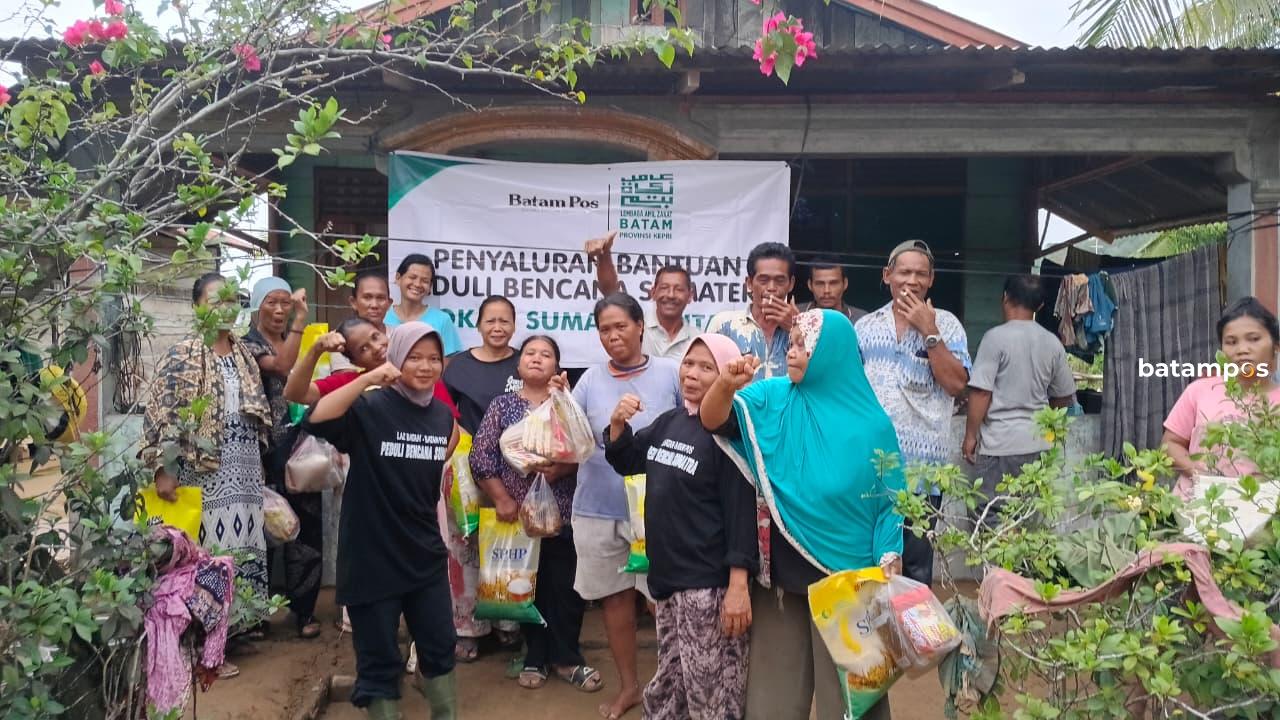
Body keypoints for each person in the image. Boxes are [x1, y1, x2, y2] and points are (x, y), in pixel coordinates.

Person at [700, 309, 905, 720]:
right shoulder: (771, 398)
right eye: (791, 343)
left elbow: (891, 501)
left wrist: (889, 556)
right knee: (772, 700)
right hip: (782, 577)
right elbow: (713, 419)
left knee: (853, 701)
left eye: (803, 346)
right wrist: (724, 385)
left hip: (848, 584)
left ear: (831, 353)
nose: (791, 353)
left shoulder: (873, 426)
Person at [303, 322, 460, 720]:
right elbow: (316, 418)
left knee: (440, 646)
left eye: (434, 358)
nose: (425, 366)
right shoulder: (370, 407)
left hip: (423, 554)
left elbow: (436, 464)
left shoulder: (443, 416)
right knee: (378, 660)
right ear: (396, 358)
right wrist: (366, 380)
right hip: (371, 555)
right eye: (414, 357)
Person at [603, 334, 756, 720]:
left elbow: (741, 512)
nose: (692, 374)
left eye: (707, 367)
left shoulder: (729, 434)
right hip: (668, 579)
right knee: (672, 683)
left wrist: (738, 586)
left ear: (726, 377)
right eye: (688, 363)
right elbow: (628, 460)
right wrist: (618, 423)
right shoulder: (670, 421)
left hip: (708, 585)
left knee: (711, 692)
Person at [141, 273, 272, 678]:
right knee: (207, 554)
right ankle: (202, 648)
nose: (225, 309)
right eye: (216, 301)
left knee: (241, 546)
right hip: (203, 472)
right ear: (197, 306)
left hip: (243, 468)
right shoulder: (182, 354)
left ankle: (232, 632)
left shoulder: (243, 353)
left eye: (232, 300)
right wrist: (164, 468)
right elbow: (162, 412)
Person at [469, 335, 602, 693]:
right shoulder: (502, 406)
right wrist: (501, 498)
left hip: (563, 513)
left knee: (567, 587)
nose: (537, 358)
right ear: (518, 364)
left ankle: (568, 657)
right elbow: (481, 457)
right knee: (528, 586)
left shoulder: (567, 404)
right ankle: (535, 656)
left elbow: (584, 449)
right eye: (530, 353)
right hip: (517, 518)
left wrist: (562, 469)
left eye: (546, 354)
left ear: (557, 366)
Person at [571, 292, 681, 720]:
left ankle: (673, 690)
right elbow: (571, 437)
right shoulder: (589, 380)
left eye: (621, 326)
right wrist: (557, 406)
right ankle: (630, 688)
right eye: (604, 329)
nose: (613, 335)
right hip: (597, 507)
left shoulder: (671, 373)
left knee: (662, 603)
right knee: (614, 602)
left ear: (640, 326)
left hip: (658, 512)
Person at [855, 239, 970, 586]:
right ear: (887, 275)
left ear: (932, 279)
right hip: (870, 468)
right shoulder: (865, 327)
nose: (912, 280)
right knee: (868, 565)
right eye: (904, 272)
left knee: (915, 571)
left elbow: (957, 384)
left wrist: (929, 331)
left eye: (921, 274)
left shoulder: (947, 325)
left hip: (922, 473)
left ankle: (914, 624)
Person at [440, 295, 524, 661]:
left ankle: (508, 621)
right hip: (466, 473)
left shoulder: (524, 362)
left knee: (507, 544)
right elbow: (443, 413)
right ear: (478, 325)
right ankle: (467, 628)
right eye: (490, 320)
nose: (497, 327)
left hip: (515, 471)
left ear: (514, 325)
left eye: (505, 321)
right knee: (465, 548)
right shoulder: (458, 366)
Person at [241, 277, 322, 640]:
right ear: (257, 306)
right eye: (271, 302)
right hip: (262, 451)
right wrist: (301, 320)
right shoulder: (248, 345)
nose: (278, 310)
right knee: (263, 531)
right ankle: (255, 614)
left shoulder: (300, 342)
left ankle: (304, 610)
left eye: (285, 303)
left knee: (307, 527)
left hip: (301, 449)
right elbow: (281, 365)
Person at [963, 275, 1077, 523]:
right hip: (1039, 447)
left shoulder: (994, 338)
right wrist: (1046, 424)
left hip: (999, 446)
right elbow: (1064, 396)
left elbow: (981, 392)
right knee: (1027, 519)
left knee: (988, 517)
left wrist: (970, 436)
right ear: (1040, 305)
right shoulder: (1052, 343)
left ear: (1005, 298)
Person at [1162, 296, 1280, 498]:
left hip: (1262, 509)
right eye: (1231, 342)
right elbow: (1170, 444)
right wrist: (1202, 477)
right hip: (1197, 507)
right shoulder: (1199, 391)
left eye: (1254, 339)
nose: (1242, 350)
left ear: (1275, 346)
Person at [586, 230, 698, 360]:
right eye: (664, 288)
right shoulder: (635, 324)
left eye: (678, 289)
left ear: (690, 296)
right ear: (653, 293)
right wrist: (603, 255)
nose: (671, 295)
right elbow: (610, 292)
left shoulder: (698, 338)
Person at [706, 242, 801, 381]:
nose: (771, 288)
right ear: (749, 283)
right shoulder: (723, 325)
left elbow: (820, 377)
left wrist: (797, 327)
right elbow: (706, 376)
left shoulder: (806, 328)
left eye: (780, 280)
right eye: (763, 280)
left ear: (791, 284)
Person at [385, 254, 462, 355]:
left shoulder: (442, 320)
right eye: (412, 277)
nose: (417, 284)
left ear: (430, 286)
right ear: (398, 278)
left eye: (425, 281)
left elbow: (448, 361)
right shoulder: (383, 316)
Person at [800, 256, 866, 322]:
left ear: (845, 284)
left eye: (833, 283)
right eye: (820, 284)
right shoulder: (797, 315)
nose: (826, 290)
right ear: (810, 285)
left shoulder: (862, 320)